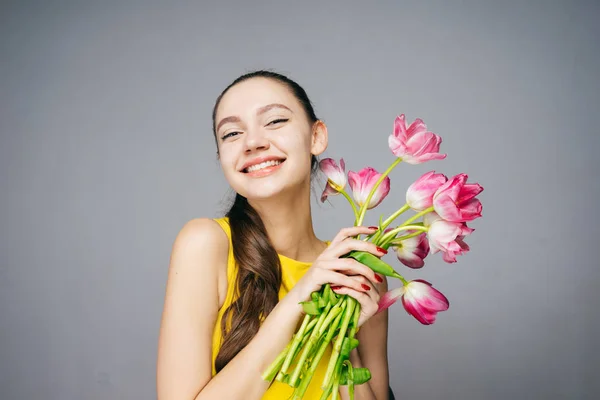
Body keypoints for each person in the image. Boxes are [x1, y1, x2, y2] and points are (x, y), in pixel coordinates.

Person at [156, 70, 392, 400]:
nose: (252, 142)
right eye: (232, 133)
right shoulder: (205, 244)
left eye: (275, 121)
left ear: (316, 136)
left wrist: (343, 341)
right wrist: (300, 299)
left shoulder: (358, 274)